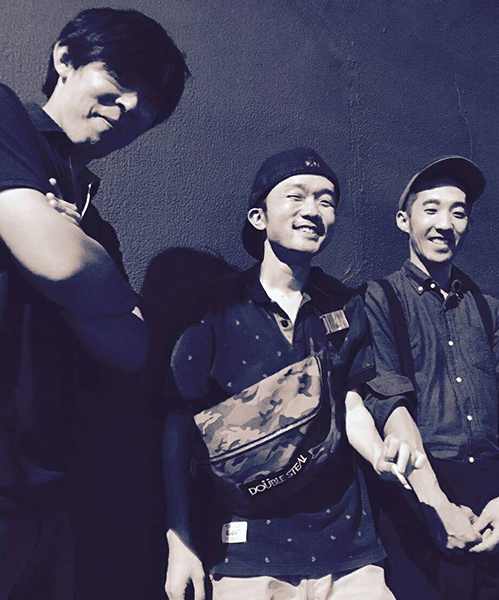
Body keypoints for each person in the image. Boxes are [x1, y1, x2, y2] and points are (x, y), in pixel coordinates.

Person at [163, 147, 423, 600]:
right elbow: (177, 421)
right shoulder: (215, 305)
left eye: (326, 201)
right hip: (245, 552)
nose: (313, 210)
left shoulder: (344, 303)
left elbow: (350, 402)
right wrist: (178, 539)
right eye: (296, 196)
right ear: (259, 217)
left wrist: (379, 453)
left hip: (349, 551)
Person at [0, 8, 189, 599]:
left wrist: (76, 258)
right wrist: (75, 276)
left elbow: (131, 347)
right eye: (120, 80)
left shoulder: (95, 226)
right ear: (65, 59)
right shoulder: (5, 118)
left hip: (48, 491)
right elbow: (58, 263)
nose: (131, 106)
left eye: (148, 103)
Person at [363, 157, 499, 599]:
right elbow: (389, 403)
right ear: (404, 220)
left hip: (497, 493)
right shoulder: (378, 299)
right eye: (431, 209)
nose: (445, 224)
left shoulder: (489, 308)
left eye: (458, 212)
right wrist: (436, 506)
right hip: (422, 495)